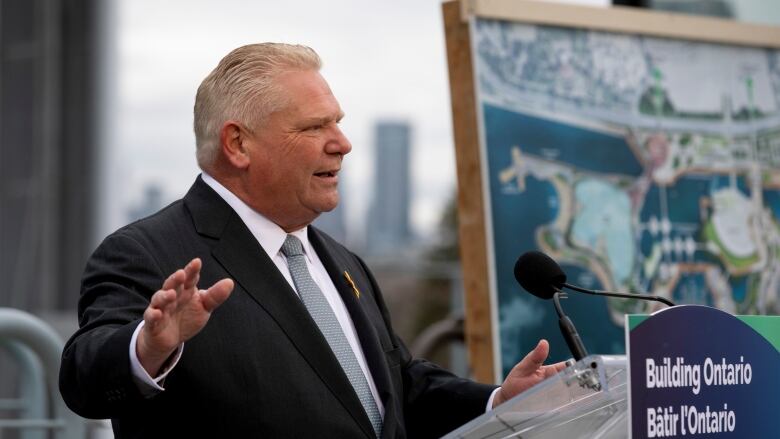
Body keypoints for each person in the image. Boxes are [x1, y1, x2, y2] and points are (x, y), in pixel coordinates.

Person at [59, 43, 565, 438]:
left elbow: (400, 388)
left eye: (338, 122)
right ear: (238, 144)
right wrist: (146, 349)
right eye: (315, 126)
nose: (341, 143)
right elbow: (84, 376)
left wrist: (500, 400)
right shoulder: (147, 251)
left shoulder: (343, 262)